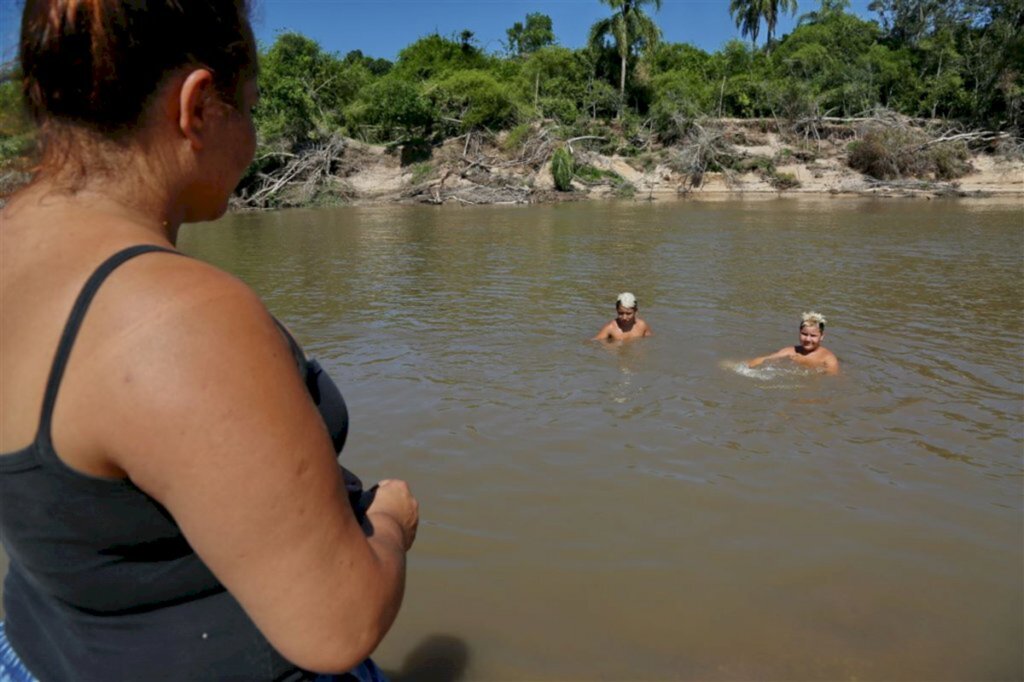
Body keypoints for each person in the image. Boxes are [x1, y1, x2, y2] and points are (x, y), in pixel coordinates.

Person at [0, 2, 418, 680]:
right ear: (196, 107)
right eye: (248, 107)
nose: (251, 135)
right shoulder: (173, 315)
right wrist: (391, 523)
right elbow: (337, 625)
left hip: (37, 652)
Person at [747, 311, 839, 375]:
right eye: (804, 334)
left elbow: (831, 377)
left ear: (822, 336)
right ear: (799, 332)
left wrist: (805, 362)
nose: (807, 339)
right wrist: (746, 367)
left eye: (813, 336)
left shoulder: (828, 358)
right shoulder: (791, 351)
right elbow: (766, 359)